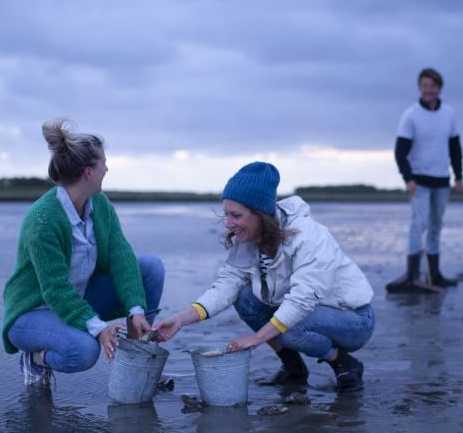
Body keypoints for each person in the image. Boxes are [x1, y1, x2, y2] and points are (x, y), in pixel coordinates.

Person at [151, 162, 375, 392]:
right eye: (226, 214)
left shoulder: (310, 236)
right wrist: (179, 320)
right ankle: (293, 368)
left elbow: (302, 300)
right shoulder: (247, 242)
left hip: (352, 319)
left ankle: (344, 362)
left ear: (261, 214)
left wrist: (257, 338)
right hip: (305, 315)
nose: (228, 223)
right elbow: (226, 286)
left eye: (236, 215)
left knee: (290, 327)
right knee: (245, 297)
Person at [2, 118, 165, 385]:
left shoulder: (99, 203)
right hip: (34, 313)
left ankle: (136, 356)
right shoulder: (42, 221)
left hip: (79, 300)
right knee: (84, 351)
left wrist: (136, 310)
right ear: (89, 172)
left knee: (149, 267)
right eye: (103, 162)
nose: (107, 167)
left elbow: (121, 256)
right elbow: (55, 291)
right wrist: (100, 329)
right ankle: (35, 359)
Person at [386, 67, 463, 293]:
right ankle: (412, 275)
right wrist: (408, 178)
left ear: (439, 88)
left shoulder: (449, 114)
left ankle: (434, 274)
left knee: (436, 227)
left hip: (442, 181)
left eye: (432, 86)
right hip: (419, 182)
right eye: (424, 86)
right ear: (419, 88)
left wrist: (459, 176)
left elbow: (455, 148)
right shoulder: (411, 115)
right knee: (419, 225)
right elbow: (400, 152)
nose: (428, 90)